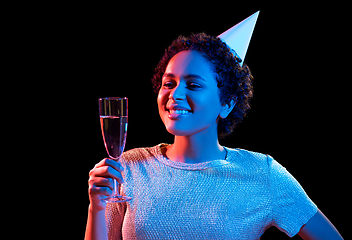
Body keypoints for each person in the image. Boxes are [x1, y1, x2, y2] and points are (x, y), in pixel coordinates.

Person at [85, 32, 343, 240]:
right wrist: (96, 207)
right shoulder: (129, 166)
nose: (174, 95)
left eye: (194, 84)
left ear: (227, 103)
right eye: (169, 83)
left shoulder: (262, 173)